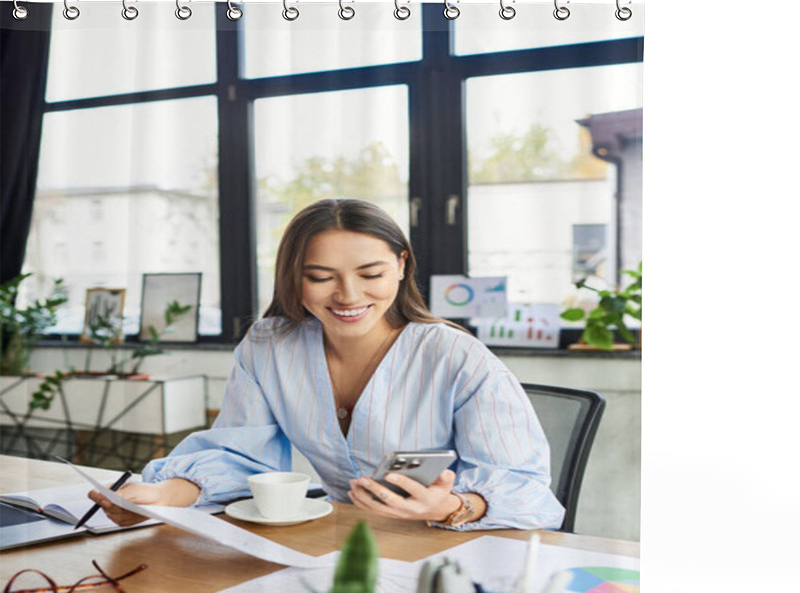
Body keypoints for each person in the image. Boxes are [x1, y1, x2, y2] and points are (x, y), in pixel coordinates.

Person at [89, 198, 564, 531]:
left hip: (448, 551)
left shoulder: (456, 356)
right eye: (320, 277)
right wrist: (163, 498)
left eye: (371, 274)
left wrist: (451, 505)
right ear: (293, 278)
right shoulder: (269, 345)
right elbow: (240, 455)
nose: (349, 296)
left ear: (401, 265)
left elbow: (527, 489)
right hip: (344, 546)